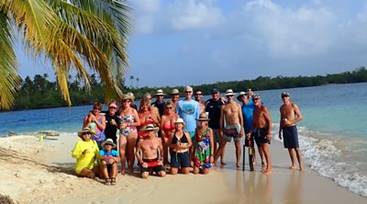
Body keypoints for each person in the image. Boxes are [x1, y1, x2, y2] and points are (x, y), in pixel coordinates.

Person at [214, 89, 244, 168]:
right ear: (226, 97)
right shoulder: (223, 106)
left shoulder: (238, 105)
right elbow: (221, 119)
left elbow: (241, 118)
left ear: (233, 96)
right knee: (222, 145)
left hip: (236, 126)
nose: (229, 97)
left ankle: (238, 162)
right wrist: (221, 129)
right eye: (228, 96)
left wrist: (241, 129)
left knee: (237, 145)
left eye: (231, 95)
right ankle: (214, 161)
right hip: (227, 127)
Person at [278, 92, 304, 171]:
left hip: (292, 128)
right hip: (285, 129)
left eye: (286, 96)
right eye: (283, 97)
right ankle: (293, 164)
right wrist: (280, 130)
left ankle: (301, 166)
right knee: (289, 148)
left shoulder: (293, 105)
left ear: (289, 97)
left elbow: (300, 117)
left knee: (296, 147)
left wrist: (291, 122)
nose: (284, 98)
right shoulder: (281, 108)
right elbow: (281, 119)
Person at [238, 91, 263, 167]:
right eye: (241, 97)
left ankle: (262, 159)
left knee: (260, 145)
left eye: (244, 96)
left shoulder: (253, 104)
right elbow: (241, 120)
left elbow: (260, 103)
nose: (243, 98)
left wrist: (253, 95)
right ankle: (253, 159)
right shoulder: (241, 108)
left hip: (256, 128)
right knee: (250, 146)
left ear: (247, 97)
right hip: (247, 130)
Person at [119, 94, 140, 174]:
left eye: (128, 101)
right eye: (124, 101)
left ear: (130, 102)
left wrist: (128, 124)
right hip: (122, 132)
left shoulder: (133, 110)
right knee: (121, 151)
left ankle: (130, 167)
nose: (126, 102)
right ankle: (123, 167)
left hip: (132, 131)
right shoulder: (120, 110)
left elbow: (138, 122)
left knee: (131, 151)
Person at [252, 95, 272, 175]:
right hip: (257, 131)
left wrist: (269, 132)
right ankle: (266, 166)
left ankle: (269, 168)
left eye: (256, 99)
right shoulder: (254, 110)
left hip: (264, 130)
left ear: (260, 100)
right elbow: (254, 123)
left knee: (265, 150)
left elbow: (270, 121)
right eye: (254, 99)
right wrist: (251, 132)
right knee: (261, 149)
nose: (255, 100)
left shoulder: (263, 108)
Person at [205, 89, 224, 164]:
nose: (215, 95)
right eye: (213, 93)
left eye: (216, 93)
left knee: (221, 144)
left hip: (220, 127)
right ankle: (214, 160)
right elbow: (206, 115)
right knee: (213, 144)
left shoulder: (222, 102)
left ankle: (221, 160)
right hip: (211, 127)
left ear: (219, 93)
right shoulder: (209, 103)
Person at [160, 100, 178, 165]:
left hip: (174, 135)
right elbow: (161, 129)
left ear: (173, 107)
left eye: (170, 107)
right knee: (165, 149)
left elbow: (179, 127)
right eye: (167, 108)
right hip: (166, 135)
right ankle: (165, 162)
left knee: (172, 150)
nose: (169, 109)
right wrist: (164, 136)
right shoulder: (163, 117)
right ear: (165, 108)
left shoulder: (176, 116)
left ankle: (174, 162)